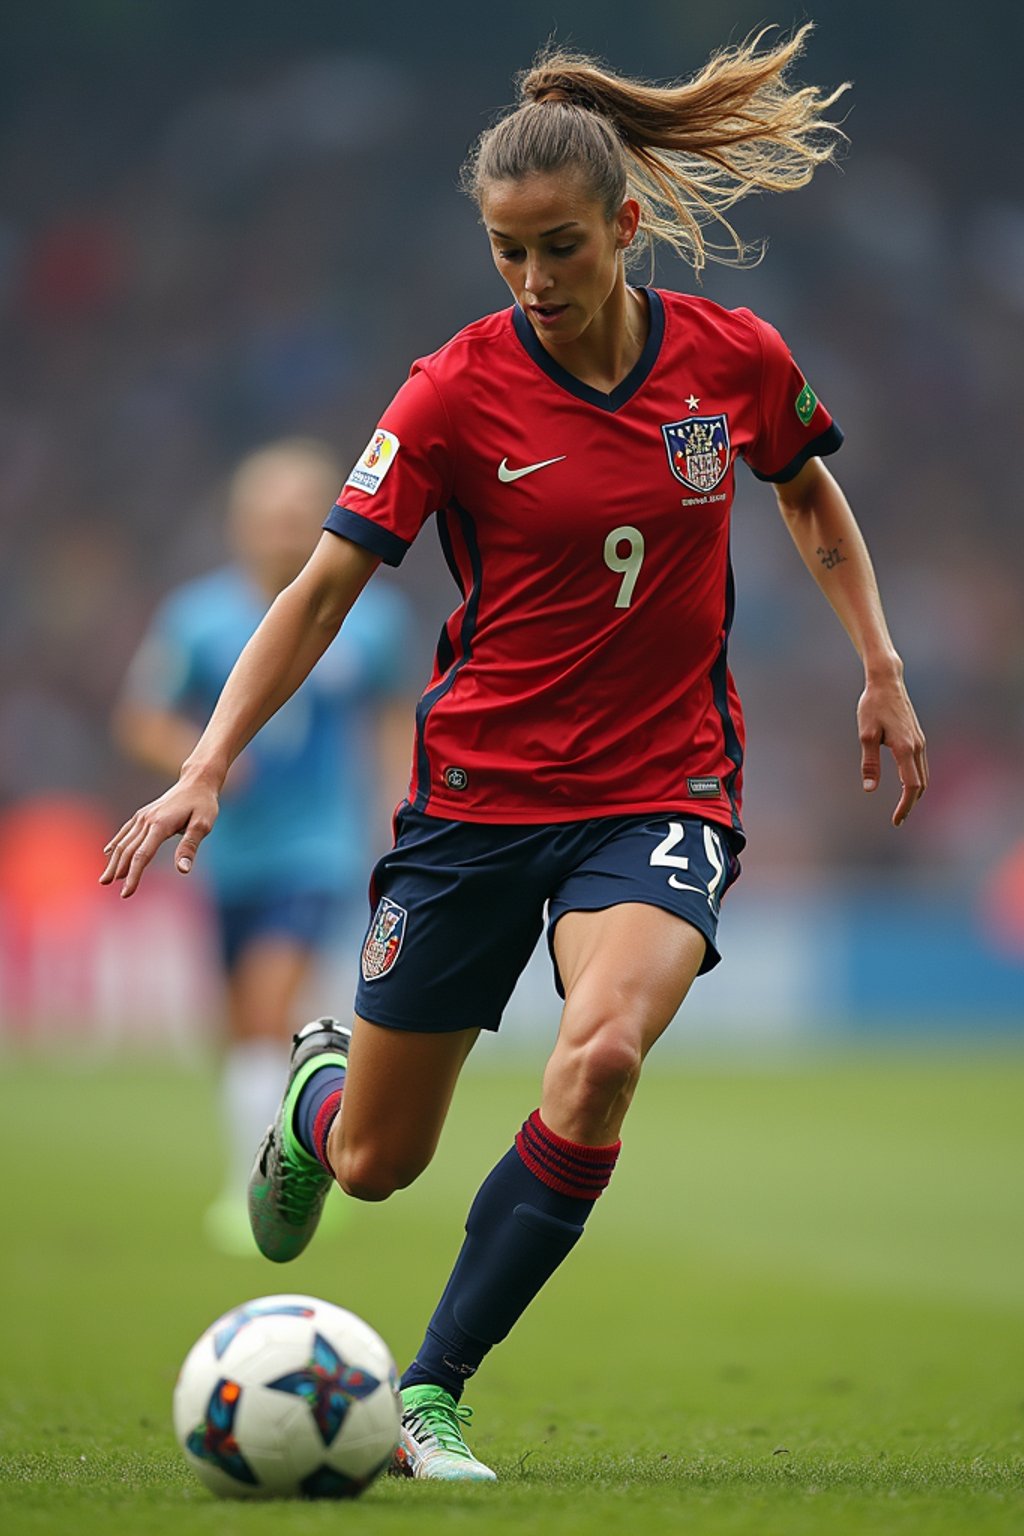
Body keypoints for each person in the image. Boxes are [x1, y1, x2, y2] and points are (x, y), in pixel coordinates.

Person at [101, 26, 927, 1478]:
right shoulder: (452, 392)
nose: (536, 285)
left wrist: (879, 660)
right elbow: (320, 592)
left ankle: (429, 1390)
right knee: (375, 1164)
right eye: (507, 255)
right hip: (477, 801)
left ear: (623, 226)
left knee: (599, 1056)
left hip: (662, 786)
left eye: (560, 248)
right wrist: (210, 760)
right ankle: (318, 1095)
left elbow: (808, 499)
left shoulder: (735, 361)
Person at [112, 438, 413, 1254]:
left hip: (317, 850)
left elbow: (392, 714)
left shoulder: (371, 617)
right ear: (239, 524)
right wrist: (197, 761)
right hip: (222, 855)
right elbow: (140, 715)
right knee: (239, 1029)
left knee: (266, 1005)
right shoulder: (196, 618)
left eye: (297, 514)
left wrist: (399, 798)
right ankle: (285, 1156)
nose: (283, 530)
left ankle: (270, 1189)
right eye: (268, 515)